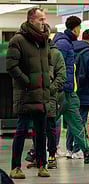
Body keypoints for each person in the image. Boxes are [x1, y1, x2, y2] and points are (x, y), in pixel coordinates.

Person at [6, 7, 51, 179]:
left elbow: (49, 62)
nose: (44, 22)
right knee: (21, 131)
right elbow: (11, 66)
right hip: (25, 94)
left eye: (44, 19)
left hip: (41, 94)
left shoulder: (44, 40)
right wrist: (28, 81)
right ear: (31, 20)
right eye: (41, 20)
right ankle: (15, 167)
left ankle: (42, 165)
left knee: (41, 133)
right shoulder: (17, 40)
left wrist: (49, 78)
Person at [53, 16, 89, 164]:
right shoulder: (63, 44)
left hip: (71, 92)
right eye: (79, 28)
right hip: (62, 92)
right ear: (75, 28)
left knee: (76, 124)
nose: (79, 31)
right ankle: (35, 152)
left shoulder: (69, 44)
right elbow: (57, 67)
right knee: (49, 122)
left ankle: (87, 151)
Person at [25, 24, 66, 169]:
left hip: (50, 98)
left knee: (50, 128)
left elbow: (61, 76)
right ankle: (38, 156)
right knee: (36, 129)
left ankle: (52, 156)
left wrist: (50, 90)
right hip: (35, 98)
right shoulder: (33, 52)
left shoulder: (56, 54)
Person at [66, 29, 89, 159]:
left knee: (72, 121)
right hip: (85, 92)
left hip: (72, 90)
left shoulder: (72, 49)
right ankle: (77, 149)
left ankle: (69, 149)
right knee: (81, 121)